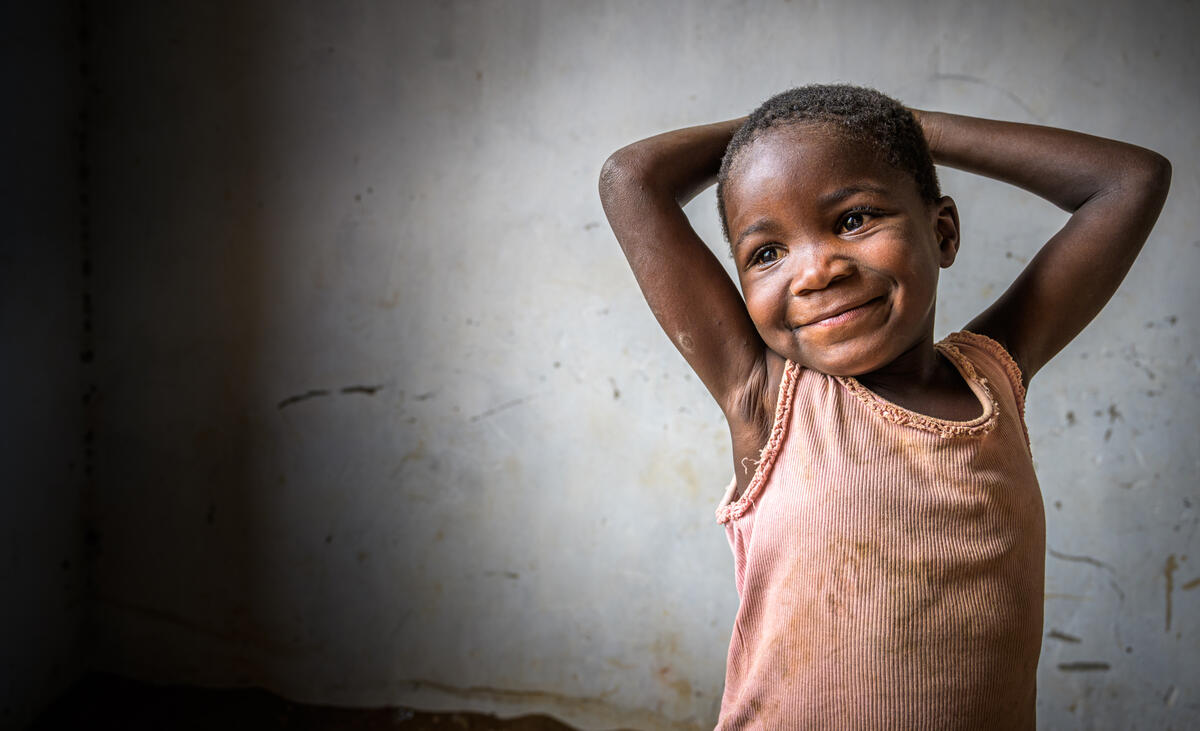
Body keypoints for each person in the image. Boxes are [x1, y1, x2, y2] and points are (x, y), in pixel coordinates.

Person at [597, 85, 1170, 729]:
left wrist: (899, 125)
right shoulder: (767, 395)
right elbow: (631, 178)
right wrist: (801, 124)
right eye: (767, 253)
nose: (816, 273)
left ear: (943, 231)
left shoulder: (993, 377)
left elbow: (1130, 180)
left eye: (852, 219)